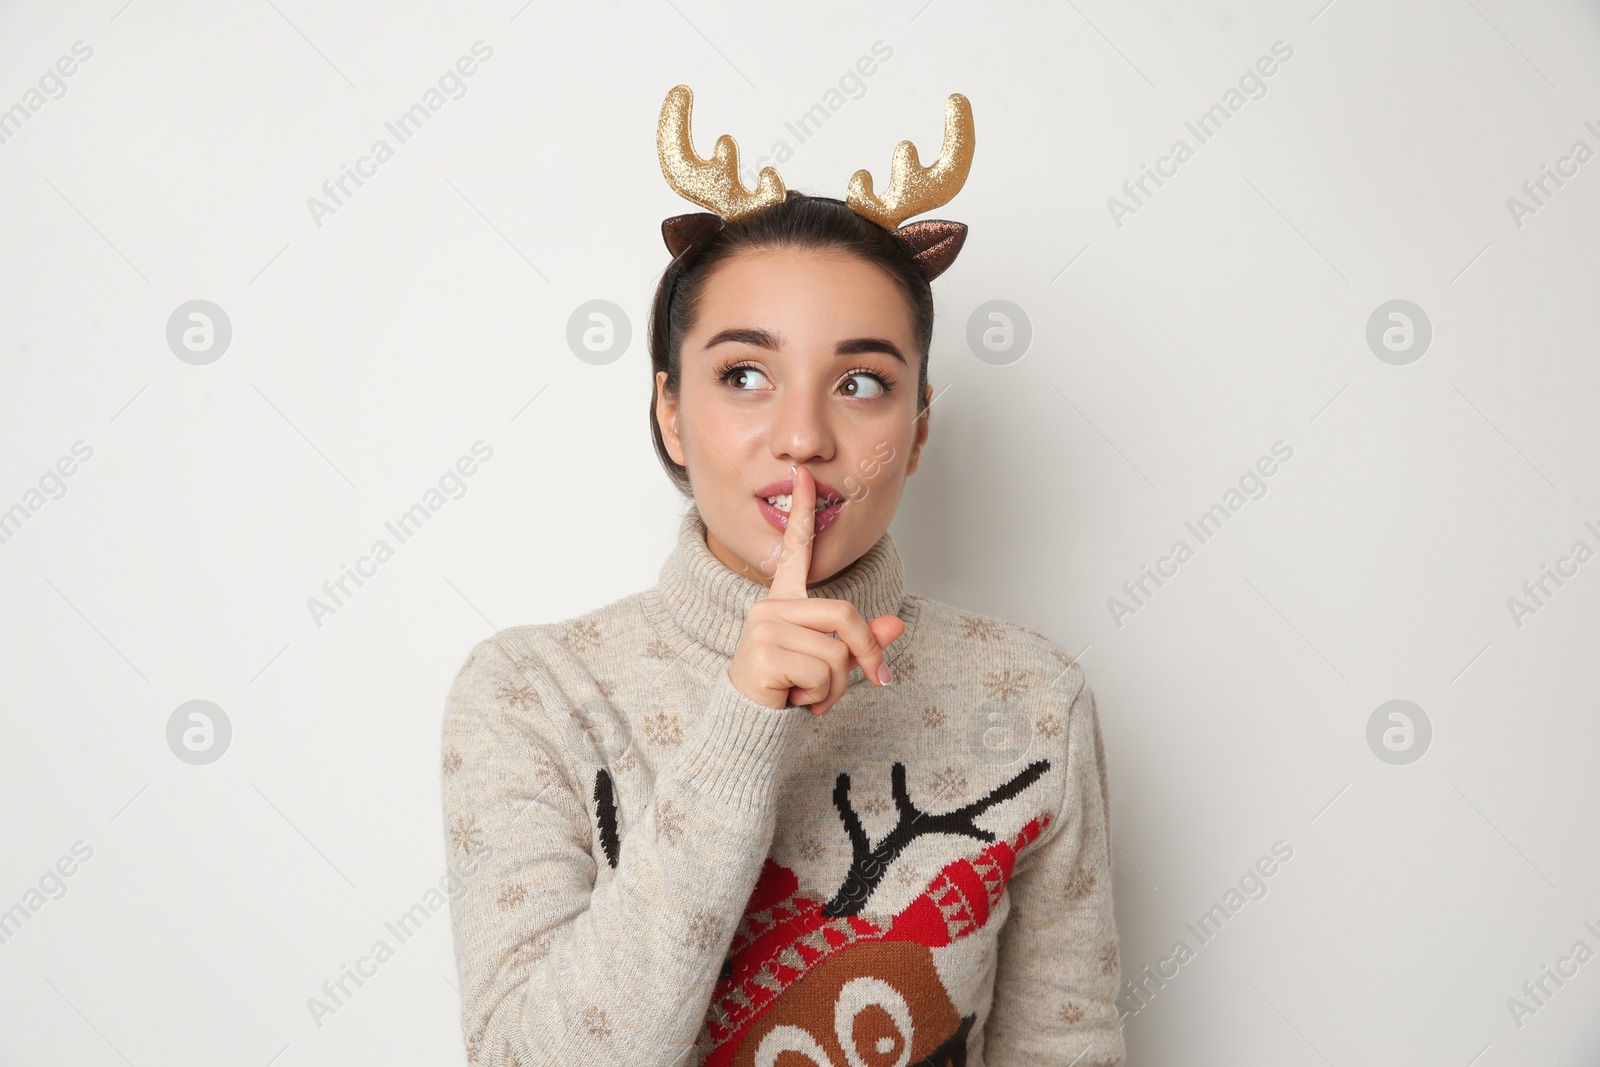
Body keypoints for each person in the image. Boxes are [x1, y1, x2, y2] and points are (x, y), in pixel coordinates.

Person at [440, 84, 1124, 1066]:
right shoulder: (529, 692)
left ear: (918, 428)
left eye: (859, 382)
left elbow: (1070, 1046)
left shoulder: (1032, 702)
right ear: (670, 412)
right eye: (745, 375)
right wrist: (742, 716)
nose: (802, 437)